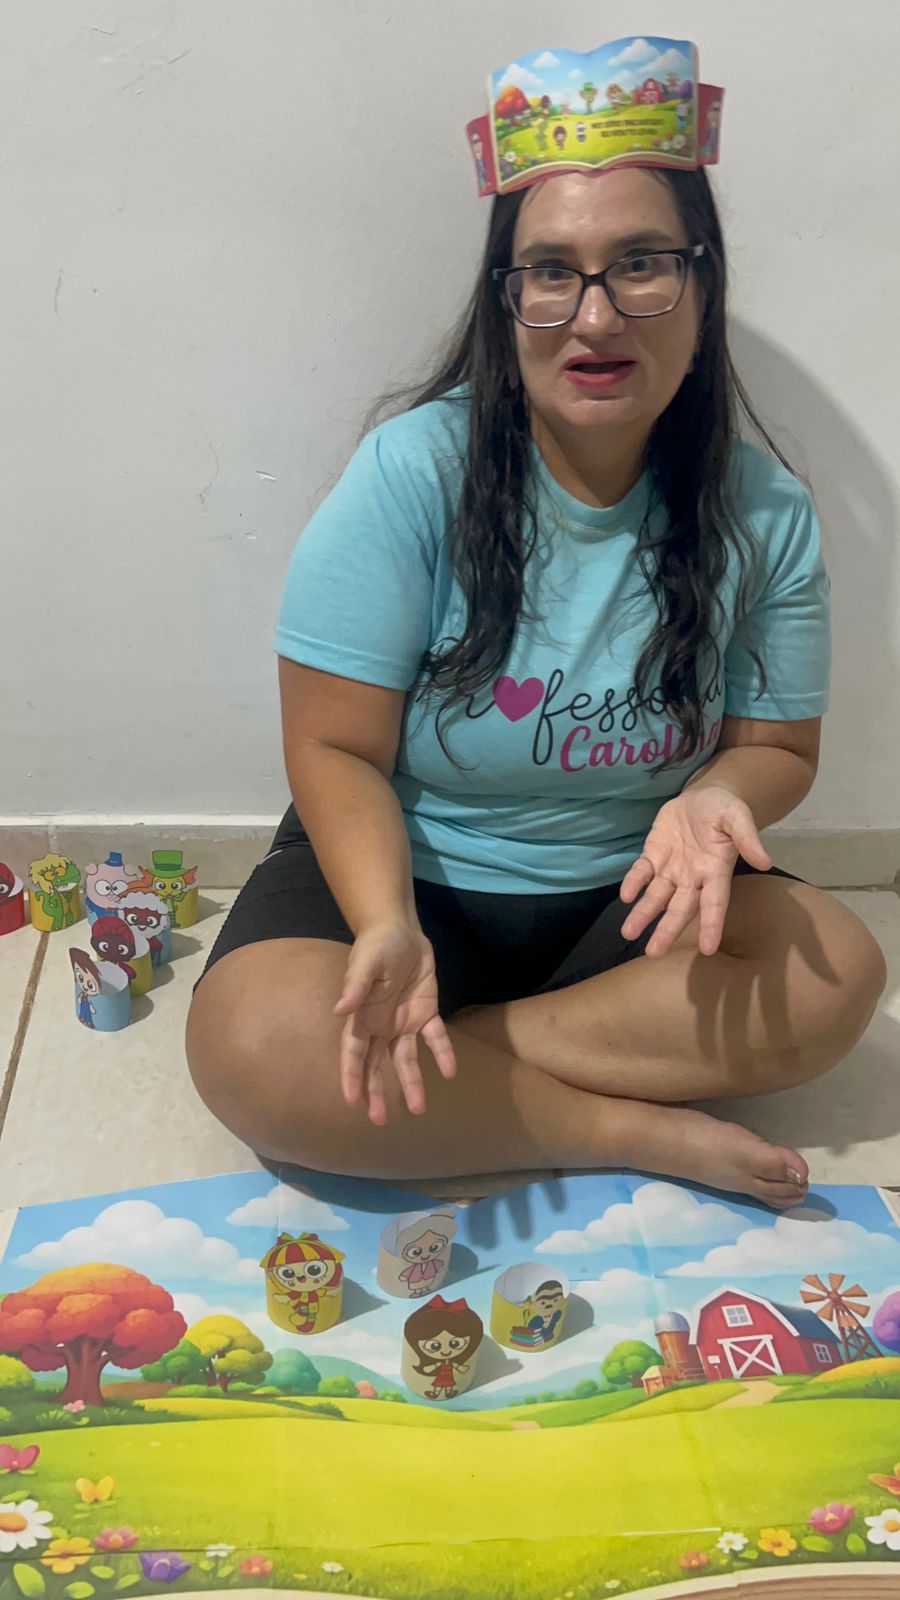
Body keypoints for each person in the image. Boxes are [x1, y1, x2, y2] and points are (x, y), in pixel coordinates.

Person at [186, 77, 887, 1208]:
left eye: (641, 264)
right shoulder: (410, 474)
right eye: (552, 272)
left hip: (635, 892)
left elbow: (778, 747)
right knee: (251, 1042)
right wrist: (384, 925)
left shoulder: (765, 512)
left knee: (841, 975)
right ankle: (629, 1130)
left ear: (703, 283)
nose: (595, 317)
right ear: (506, 300)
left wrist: (717, 795)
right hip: (409, 877)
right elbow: (333, 746)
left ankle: (460, 1067)